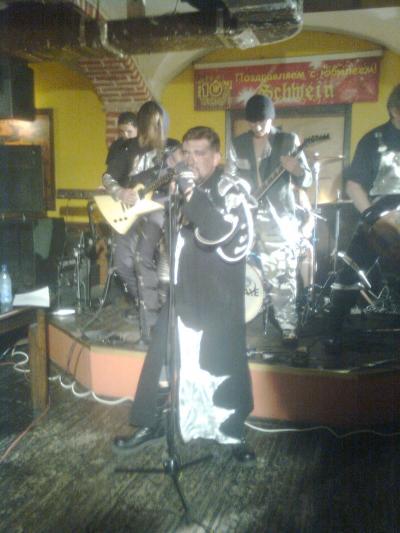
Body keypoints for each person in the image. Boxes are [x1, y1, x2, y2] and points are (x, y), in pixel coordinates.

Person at [113, 126, 256, 463]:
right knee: (160, 357)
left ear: (216, 157)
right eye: (187, 153)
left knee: (226, 363)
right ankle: (152, 424)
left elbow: (218, 229)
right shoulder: (179, 185)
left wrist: (189, 190)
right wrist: (128, 191)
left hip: (218, 295)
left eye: (200, 153)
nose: (191, 160)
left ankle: (232, 432)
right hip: (183, 291)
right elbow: (147, 193)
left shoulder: (231, 188)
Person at [227, 94, 312, 343]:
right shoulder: (238, 144)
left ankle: (288, 327)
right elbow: (229, 179)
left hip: (279, 219)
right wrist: (237, 198)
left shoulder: (288, 140)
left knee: (281, 274)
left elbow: (307, 179)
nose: (257, 126)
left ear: (271, 118)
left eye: (262, 121)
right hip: (246, 216)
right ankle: (233, 318)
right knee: (233, 268)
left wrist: (296, 169)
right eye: (252, 122)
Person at [326, 84, 400, 350]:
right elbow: (353, 184)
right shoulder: (373, 140)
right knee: (350, 272)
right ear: (394, 110)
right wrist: (372, 218)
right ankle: (333, 332)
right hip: (378, 214)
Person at [102, 101, 174, 347]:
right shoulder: (127, 148)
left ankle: (152, 322)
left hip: (157, 209)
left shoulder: (170, 149)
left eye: (157, 125)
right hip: (129, 211)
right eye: (150, 125)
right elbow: (108, 177)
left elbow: (181, 174)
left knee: (143, 258)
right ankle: (145, 302)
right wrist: (120, 192)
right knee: (122, 262)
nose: (154, 130)